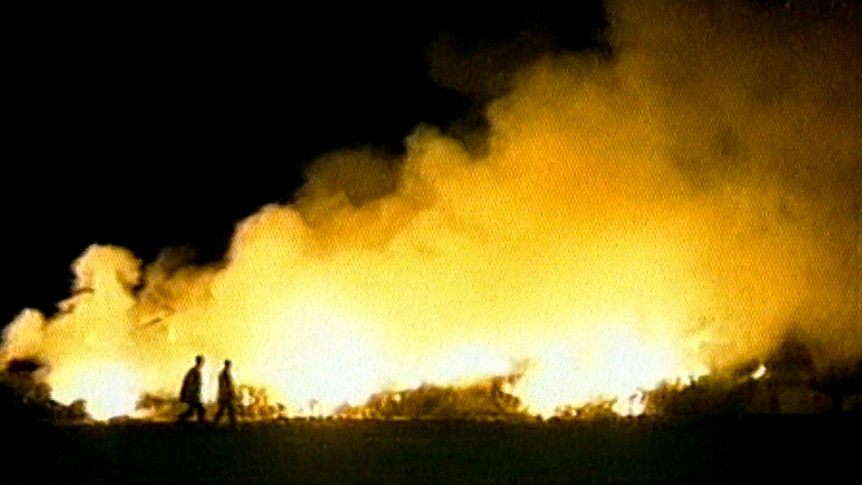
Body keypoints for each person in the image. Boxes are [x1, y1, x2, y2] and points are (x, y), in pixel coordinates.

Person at [178, 355, 206, 423]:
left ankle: (181, 419)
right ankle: (201, 423)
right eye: (202, 361)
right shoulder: (194, 371)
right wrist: (185, 393)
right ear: (200, 361)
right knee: (201, 410)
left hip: (194, 395)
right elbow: (187, 382)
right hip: (193, 395)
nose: (203, 363)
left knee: (191, 412)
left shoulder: (196, 370)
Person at [214, 359, 237, 424]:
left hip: (223, 395)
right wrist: (233, 393)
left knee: (223, 410)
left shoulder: (223, 373)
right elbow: (229, 384)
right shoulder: (226, 373)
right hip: (227, 395)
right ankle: (233, 425)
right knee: (231, 410)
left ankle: (215, 423)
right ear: (229, 365)